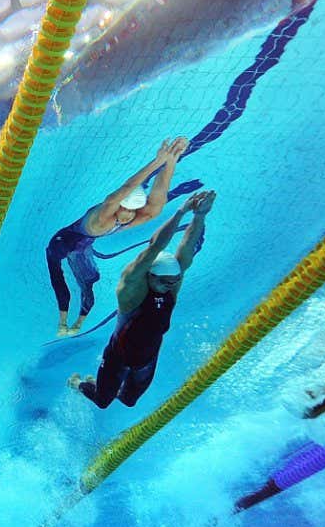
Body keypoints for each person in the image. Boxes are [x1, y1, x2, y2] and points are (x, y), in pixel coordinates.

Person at [70, 190, 213, 409]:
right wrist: (180, 212)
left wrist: (199, 216)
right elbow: (154, 247)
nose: (171, 286)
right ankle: (79, 384)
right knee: (102, 401)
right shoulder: (131, 292)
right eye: (165, 281)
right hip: (117, 358)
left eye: (174, 281)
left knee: (128, 401)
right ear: (150, 275)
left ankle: (101, 384)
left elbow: (185, 251)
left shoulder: (169, 287)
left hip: (147, 360)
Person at [48, 137, 188, 337]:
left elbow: (156, 204)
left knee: (90, 281)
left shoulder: (134, 216)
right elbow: (122, 190)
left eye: (133, 211)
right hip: (62, 241)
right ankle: (62, 321)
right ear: (119, 204)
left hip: (83, 246)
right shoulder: (102, 218)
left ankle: (78, 323)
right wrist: (157, 162)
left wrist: (171, 162)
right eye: (126, 210)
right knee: (56, 273)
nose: (129, 216)